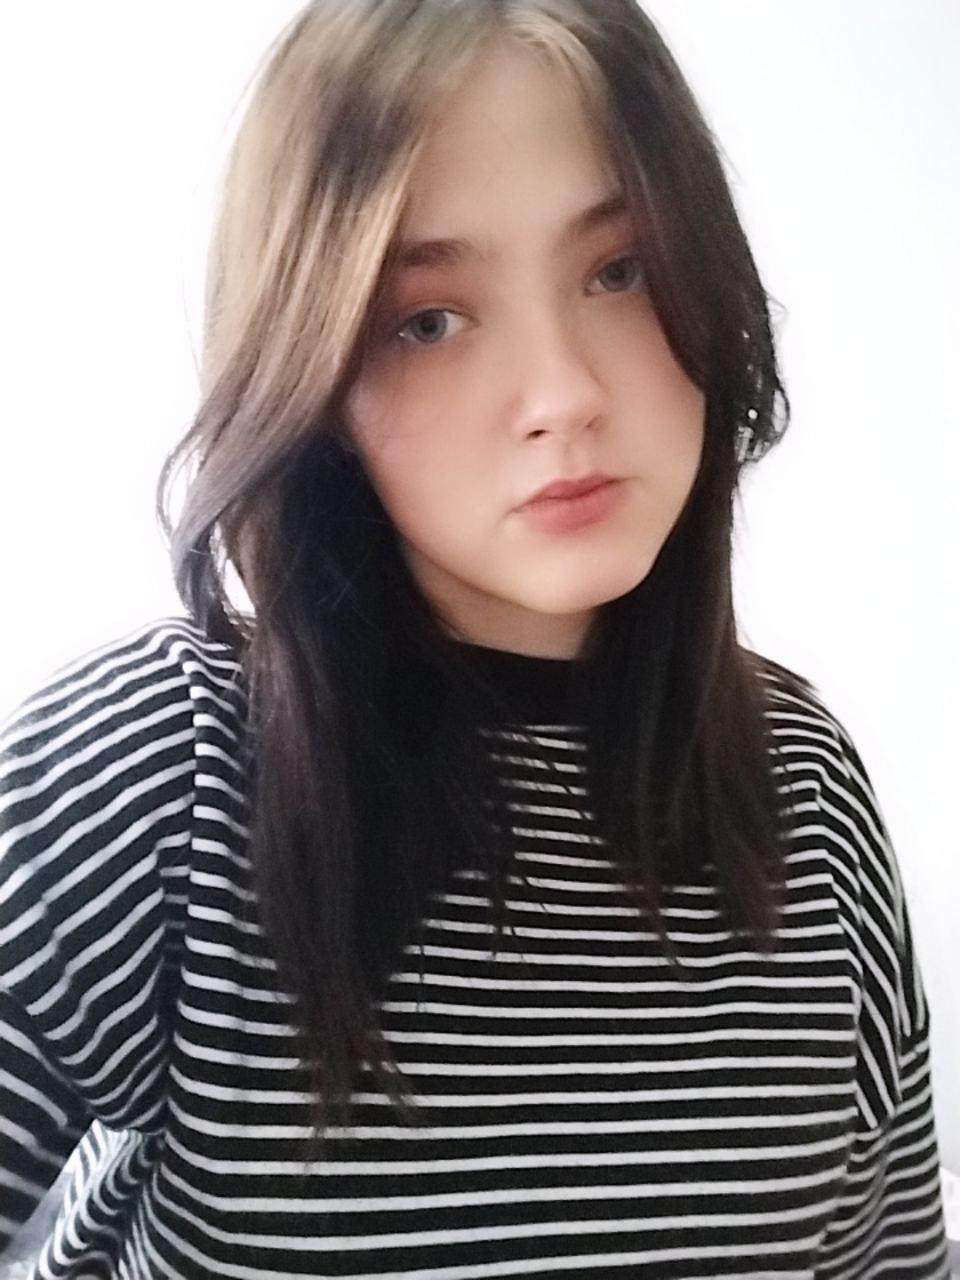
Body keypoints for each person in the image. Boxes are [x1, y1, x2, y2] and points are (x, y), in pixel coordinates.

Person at [0, 1, 950, 1276]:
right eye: (429, 320)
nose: (564, 394)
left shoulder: (802, 784)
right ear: (312, 379)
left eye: (620, 270)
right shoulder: (161, 772)